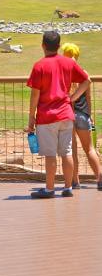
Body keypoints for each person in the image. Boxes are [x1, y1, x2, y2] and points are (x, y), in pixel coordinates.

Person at [26, 31, 90, 199]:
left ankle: (49, 189)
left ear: (43, 45)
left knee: (50, 154)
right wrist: (72, 98)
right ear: (59, 46)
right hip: (66, 114)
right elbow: (86, 81)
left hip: (47, 117)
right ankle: (68, 187)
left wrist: (31, 116)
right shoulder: (68, 62)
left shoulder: (39, 65)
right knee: (66, 152)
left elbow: (35, 94)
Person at [61, 42, 102, 190]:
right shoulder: (84, 73)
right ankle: (99, 177)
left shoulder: (62, 74)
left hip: (67, 115)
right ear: (77, 55)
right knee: (89, 148)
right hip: (83, 114)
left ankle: (75, 181)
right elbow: (89, 97)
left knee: (71, 150)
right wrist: (89, 115)